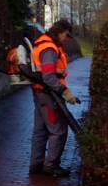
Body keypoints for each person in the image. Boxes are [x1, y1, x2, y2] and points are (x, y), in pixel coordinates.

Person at [29, 18, 80, 177]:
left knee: (41, 131)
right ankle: (51, 167)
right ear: (59, 32)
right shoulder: (50, 49)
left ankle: (36, 165)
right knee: (58, 130)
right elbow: (49, 77)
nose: (66, 39)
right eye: (66, 35)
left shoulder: (42, 43)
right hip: (49, 96)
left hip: (40, 94)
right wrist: (65, 91)